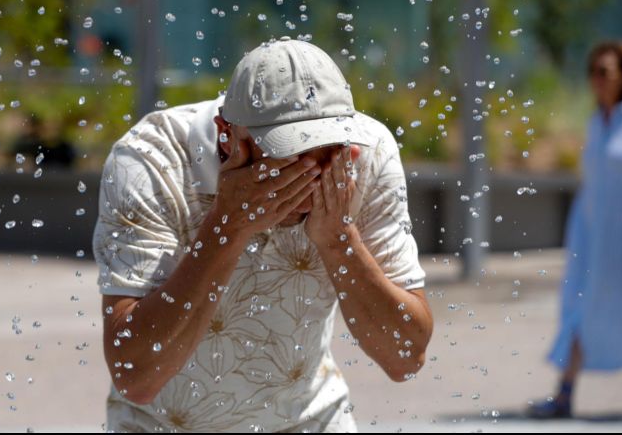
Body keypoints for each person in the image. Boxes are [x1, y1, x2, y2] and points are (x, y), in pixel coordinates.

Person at [93, 37, 434, 432]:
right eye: (287, 154)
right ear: (227, 136)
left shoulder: (366, 155)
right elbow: (135, 376)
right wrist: (226, 226)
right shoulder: (151, 159)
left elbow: (405, 358)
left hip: (308, 420)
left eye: (325, 150)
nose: (309, 175)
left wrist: (339, 241)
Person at [529, 41, 622, 419]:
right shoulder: (594, 122)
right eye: (593, 73)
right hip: (591, 234)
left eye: (605, 72)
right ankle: (565, 394)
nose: (597, 80)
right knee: (579, 306)